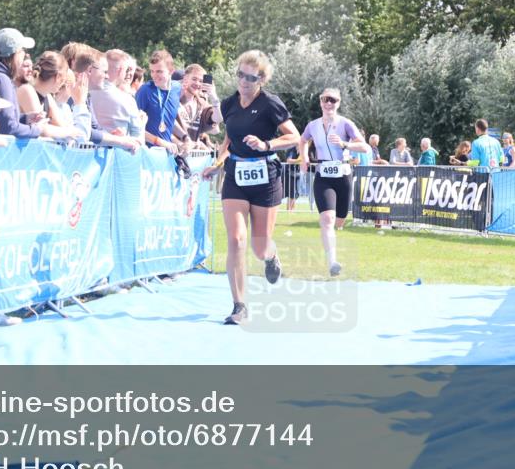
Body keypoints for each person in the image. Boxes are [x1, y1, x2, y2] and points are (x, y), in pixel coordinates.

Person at [201, 50, 300, 325]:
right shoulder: (230, 104)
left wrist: (267, 144)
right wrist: (218, 162)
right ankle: (239, 305)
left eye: (251, 77)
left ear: (262, 80)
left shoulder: (271, 104)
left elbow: (294, 136)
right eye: (240, 75)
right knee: (236, 240)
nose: (244, 81)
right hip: (235, 177)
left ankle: (271, 257)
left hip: (266, 177)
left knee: (259, 246)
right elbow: (227, 139)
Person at [0, 28, 82, 142]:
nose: (24, 55)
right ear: (15, 53)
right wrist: (36, 130)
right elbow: (8, 128)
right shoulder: (1, 80)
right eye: (22, 51)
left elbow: (1, 119)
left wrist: (25, 118)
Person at [298, 88, 366, 276]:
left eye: (333, 100)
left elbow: (365, 147)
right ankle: (332, 262)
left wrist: (345, 144)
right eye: (326, 100)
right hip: (323, 176)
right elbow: (302, 141)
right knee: (327, 220)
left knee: (339, 220)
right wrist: (303, 158)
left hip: (343, 175)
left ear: (338, 103)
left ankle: (334, 233)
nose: (329, 103)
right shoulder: (313, 125)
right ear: (320, 102)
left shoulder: (346, 124)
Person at [136, 50, 181, 154]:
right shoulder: (145, 90)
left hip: (166, 155)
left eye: (159, 71)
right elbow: (135, 128)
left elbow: (168, 120)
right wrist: (161, 142)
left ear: (171, 71)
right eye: (152, 71)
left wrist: (183, 140)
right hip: (146, 154)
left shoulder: (177, 88)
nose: (154, 75)